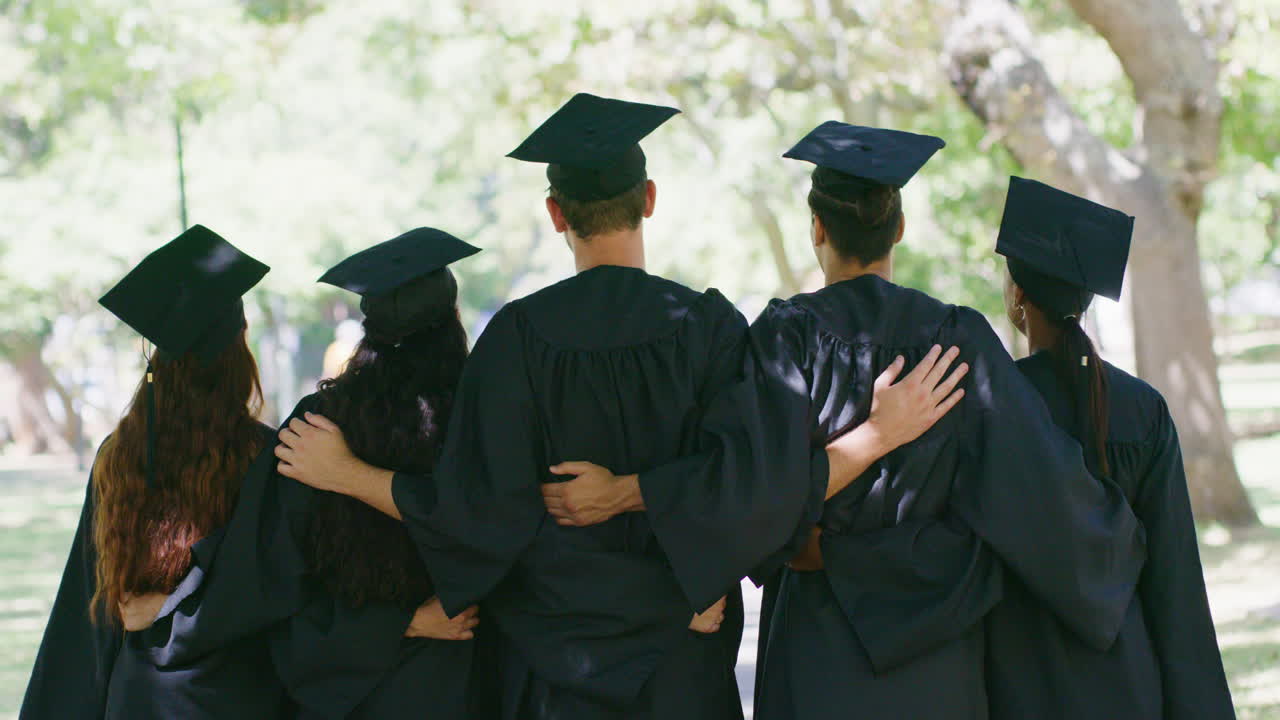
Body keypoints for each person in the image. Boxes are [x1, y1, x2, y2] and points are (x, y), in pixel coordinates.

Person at [275, 94, 964, 720]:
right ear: (651, 198)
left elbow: (479, 515)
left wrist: (347, 476)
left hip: (553, 674)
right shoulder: (712, 328)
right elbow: (747, 492)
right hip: (682, 668)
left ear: (555, 215)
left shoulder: (514, 338)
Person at [545, 122, 1149, 720]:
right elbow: (1039, 488)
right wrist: (1122, 537)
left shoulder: (784, 339)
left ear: (816, 229)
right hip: (935, 659)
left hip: (815, 652)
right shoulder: (958, 339)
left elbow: (745, 491)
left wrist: (626, 494)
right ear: (900, 229)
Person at [133, 228, 493, 719]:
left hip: (350, 691)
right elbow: (499, 533)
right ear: (453, 319)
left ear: (370, 330)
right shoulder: (488, 419)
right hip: (466, 679)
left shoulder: (318, 425)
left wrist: (174, 618)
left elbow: (265, 574)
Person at [986, 177, 1234, 719]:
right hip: (1128, 685)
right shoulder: (1142, 410)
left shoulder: (992, 407)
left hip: (1018, 686)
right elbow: (1175, 587)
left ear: (1018, 295)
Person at [20, 225, 289, 719]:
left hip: (139, 698)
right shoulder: (263, 455)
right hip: (237, 697)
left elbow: (91, 607)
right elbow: (275, 586)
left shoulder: (117, 456)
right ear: (236, 351)